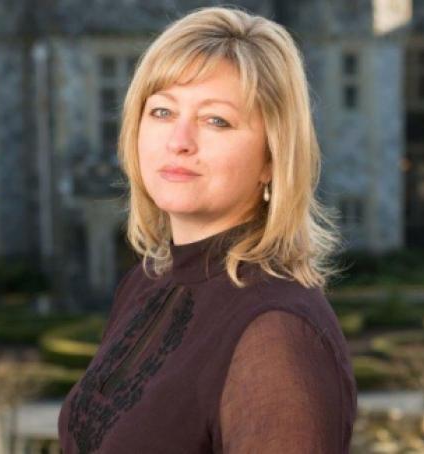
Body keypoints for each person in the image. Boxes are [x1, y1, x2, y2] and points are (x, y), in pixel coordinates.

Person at [57, 6, 357, 454]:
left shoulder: (278, 335)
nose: (179, 140)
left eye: (216, 120)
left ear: (272, 158)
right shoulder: (146, 283)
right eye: (160, 111)